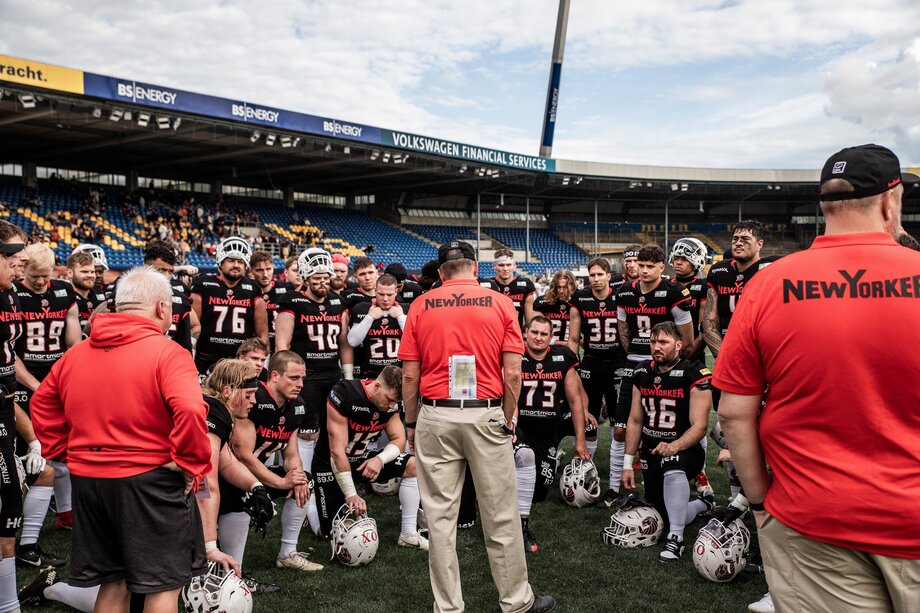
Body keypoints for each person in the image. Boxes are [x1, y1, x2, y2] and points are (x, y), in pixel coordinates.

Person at [715, 144, 920, 613]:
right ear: (892, 200)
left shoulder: (766, 285)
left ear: (825, 205)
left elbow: (733, 410)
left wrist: (761, 502)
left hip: (811, 515)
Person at [31, 266, 212, 613]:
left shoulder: (75, 354)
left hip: (90, 480)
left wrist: (67, 452)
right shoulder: (169, 352)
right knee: (164, 585)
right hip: (149, 480)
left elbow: (41, 403)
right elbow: (191, 411)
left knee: (113, 580)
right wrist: (191, 463)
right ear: (162, 308)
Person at [399, 240, 555, 613]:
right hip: (486, 413)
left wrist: (410, 422)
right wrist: (510, 414)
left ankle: (448, 607)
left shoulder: (421, 304)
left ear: (440, 272)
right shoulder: (501, 303)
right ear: (475, 266)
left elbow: (408, 376)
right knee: (501, 515)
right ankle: (516, 602)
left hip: (436, 414)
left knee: (438, 520)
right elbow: (514, 372)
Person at [217, 350, 323, 573]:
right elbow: (242, 455)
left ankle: (287, 553)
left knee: (305, 482)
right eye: (294, 378)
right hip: (232, 475)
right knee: (242, 498)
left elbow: (291, 453)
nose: (300, 384)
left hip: (259, 471)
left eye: (302, 378)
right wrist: (280, 482)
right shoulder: (254, 398)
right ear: (274, 376)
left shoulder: (297, 406)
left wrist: (296, 476)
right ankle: (234, 571)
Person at [621, 322, 713, 562]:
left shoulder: (694, 372)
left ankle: (676, 539)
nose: (656, 347)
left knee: (673, 464)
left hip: (686, 450)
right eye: (653, 342)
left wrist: (674, 446)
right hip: (651, 451)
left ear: (679, 345)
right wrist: (627, 464)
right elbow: (635, 419)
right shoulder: (641, 372)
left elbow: (700, 426)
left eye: (663, 342)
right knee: (666, 511)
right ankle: (704, 504)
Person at [310, 365, 427, 549]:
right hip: (329, 463)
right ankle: (312, 501)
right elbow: (336, 451)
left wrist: (379, 459)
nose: (391, 406)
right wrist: (351, 494)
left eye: (395, 402)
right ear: (377, 386)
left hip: (360, 459)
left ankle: (408, 534)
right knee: (331, 534)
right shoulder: (345, 393)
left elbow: (398, 439)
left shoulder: (391, 404)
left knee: (413, 466)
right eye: (389, 399)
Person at [515, 316, 590, 554]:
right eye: (534, 332)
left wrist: (580, 441)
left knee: (539, 493)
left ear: (551, 336)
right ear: (525, 333)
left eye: (543, 334)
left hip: (548, 430)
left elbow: (575, 400)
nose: (538, 337)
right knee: (520, 465)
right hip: (521, 427)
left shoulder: (563, 358)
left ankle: (551, 460)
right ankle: (519, 523)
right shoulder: (514, 355)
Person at [569, 257, 626, 505]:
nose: (595, 279)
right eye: (592, 275)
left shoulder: (622, 295)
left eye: (599, 274)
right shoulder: (580, 298)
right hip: (591, 363)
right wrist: (572, 364)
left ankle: (614, 484)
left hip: (617, 363)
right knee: (587, 419)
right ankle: (584, 476)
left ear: (608, 275)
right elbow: (573, 336)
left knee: (619, 423)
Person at [190, 236, 268, 374]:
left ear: (246, 265)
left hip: (240, 362)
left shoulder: (253, 289)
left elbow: (262, 333)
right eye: (231, 261)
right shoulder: (204, 285)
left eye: (240, 262)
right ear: (220, 263)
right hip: (205, 359)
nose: (236, 265)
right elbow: (192, 327)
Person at [0, 223, 27, 613]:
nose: (15, 268)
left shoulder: (8, 297)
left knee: (9, 508)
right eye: (10, 260)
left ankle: (8, 603)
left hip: (5, 408)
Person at [347, 274, 407, 379]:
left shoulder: (406, 309)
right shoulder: (362, 308)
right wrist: (369, 317)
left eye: (389, 294)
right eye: (381, 294)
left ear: (396, 292)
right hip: (370, 374)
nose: (385, 299)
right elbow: (353, 341)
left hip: (398, 374)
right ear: (375, 291)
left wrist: (401, 317)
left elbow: (416, 339)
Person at [144, 240, 199, 353]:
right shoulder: (128, 293)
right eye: (161, 270)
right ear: (146, 267)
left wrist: (191, 343)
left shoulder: (180, 299)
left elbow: (194, 327)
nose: (167, 276)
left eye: (170, 271)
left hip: (168, 362)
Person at [526, 269, 580, 352]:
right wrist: (559, 342)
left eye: (565, 287)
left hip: (569, 350)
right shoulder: (543, 302)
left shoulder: (578, 301)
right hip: (547, 350)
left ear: (572, 287)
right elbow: (535, 332)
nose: (561, 291)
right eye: (558, 287)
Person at [492, 248, 536, 326]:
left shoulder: (526, 285)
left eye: (508, 265)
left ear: (514, 266)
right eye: (501, 265)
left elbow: (529, 321)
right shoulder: (488, 285)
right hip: (494, 334)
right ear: (494, 266)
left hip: (517, 334)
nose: (505, 269)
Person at [67, 251, 105, 333]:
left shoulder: (100, 294)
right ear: (70, 273)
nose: (91, 275)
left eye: (92, 272)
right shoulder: (65, 297)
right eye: (84, 272)